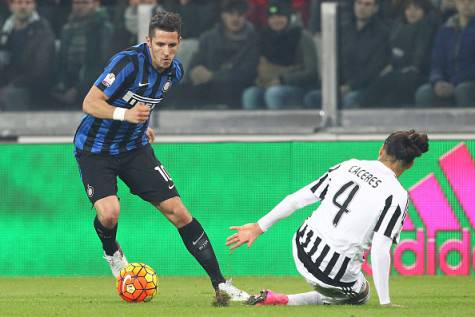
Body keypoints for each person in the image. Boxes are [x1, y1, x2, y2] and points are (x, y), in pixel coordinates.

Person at [73, 11, 249, 302]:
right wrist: (127, 115)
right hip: (95, 149)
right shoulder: (127, 63)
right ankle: (111, 252)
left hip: (134, 148)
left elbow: (144, 101)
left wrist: (143, 125)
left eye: (172, 45)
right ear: (148, 42)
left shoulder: (174, 72)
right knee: (109, 212)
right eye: (160, 45)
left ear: (179, 42)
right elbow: (90, 102)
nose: (166, 52)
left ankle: (222, 286)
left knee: (179, 212)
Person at [226, 129, 429, 306]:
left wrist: (258, 227)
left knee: (339, 284)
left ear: (381, 150)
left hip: (301, 246)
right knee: (361, 294)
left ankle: (276, 299)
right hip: (332, 274)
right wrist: (385, 302)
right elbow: (380, 249)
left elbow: (296, 199)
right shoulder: (397, 195)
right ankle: (287, 300)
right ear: (409, 165)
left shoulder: (349, 165)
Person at [358, 0, 438, 107]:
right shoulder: (398, 27)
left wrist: (396, 65)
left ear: (424, 11)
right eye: (408, 9)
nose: (412, 12)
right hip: (397, 72)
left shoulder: (427, 27)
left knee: (390, 79)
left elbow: (419, 58)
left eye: (417, 9)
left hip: (418, 75)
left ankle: (361, 106)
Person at [242, 0, 319, 109]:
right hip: (269, 83)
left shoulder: (301, 36)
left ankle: (282, 125)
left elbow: (311, 72)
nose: (276, 21)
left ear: (287, 17)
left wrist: (283, 79)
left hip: (298, 87)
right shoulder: (263, 38)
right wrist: (260, 79)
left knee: (274, 93)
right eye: (272, 17)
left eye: (280, 16)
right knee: (250, 94)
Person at [415, 0, 475, 108]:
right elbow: (436, 62)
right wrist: (437, 81)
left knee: (463, 91)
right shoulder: (445, 29)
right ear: (456, 3)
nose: (466, 4)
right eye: (462, 1)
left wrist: (455, 83)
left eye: (471, 1)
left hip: (469, 82)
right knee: (424, 93)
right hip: (447, 82)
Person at [0, 0, 55, 110]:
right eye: (19, 2)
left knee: (10, 96)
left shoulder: (43, 29)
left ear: (34, 5)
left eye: (28, 2)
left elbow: (40, 68)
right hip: (7, 82)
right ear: (10, 6)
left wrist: (13, 84)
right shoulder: (5, 29)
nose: (23, 6)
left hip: (31, 87)